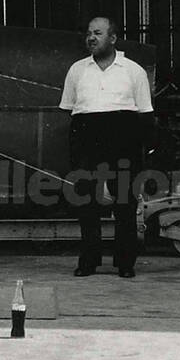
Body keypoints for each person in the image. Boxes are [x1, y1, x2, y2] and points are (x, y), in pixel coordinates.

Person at [59, 16, 154, 278]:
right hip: (86, 135)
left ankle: (125, 263)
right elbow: (69, 110)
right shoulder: (77, 70)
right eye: (88, 33)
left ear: (113, 38)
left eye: (98, 33)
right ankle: (89, 261)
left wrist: (141, 149)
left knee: (124, 200)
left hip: (123, 136)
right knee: (86, 199)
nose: (91, 37)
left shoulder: (133, 71)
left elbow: (145, 114)